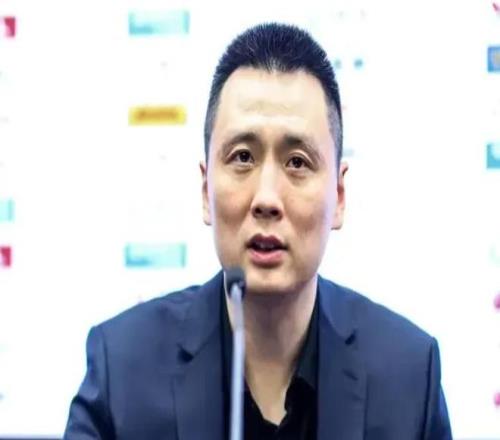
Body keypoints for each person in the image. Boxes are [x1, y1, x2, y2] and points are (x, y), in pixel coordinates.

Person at [64, 23, 452, 439]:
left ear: (338, 196)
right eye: (243, 157)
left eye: (297, 162)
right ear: (206, 189)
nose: (266, 198)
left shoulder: (409, 376)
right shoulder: (122, 369)